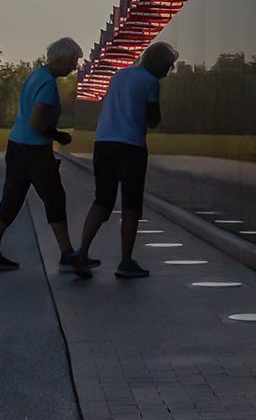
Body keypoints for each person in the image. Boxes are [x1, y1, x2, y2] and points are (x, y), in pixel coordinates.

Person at [0, 37, 92, 277]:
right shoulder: (48, 85)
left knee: (11, 197)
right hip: (35, 151)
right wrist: (58, 136)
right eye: (73, 61)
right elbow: (37, 120)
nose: (74, 67)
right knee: (54, 198)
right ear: (62, 59)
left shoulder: (36, 75)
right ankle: (67, 255)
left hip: (16, 145)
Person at [74, 41, 178, 279]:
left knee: (102, 201)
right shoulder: (150, 82)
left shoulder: (119, 75)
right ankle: (126, 261)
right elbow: (153, 120)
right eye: (168, 66)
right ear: (160, 65)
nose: (167, 72)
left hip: (103, 143)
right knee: (130, 204)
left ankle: (81, 252)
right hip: (131, 147)